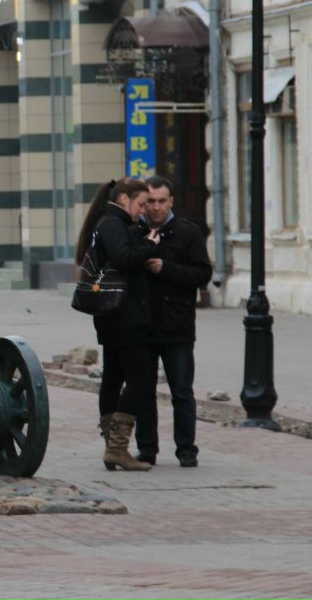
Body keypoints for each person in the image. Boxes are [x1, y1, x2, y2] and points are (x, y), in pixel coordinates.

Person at [74, 177, 160, 471]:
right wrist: (149, 247)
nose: (144, 210)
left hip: (114, 314)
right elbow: (124, 259)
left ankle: (113, 447)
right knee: (139, 380)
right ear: (124, 199)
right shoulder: (112, 224)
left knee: (113, 376)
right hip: (125, 316)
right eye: (141, 204)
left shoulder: (112, 223)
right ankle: (117, 448)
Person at [135, 175, 213, 468]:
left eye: (161, 201)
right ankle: (146, 449)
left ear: (171, 202)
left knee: (181, 391)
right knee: (143, 391)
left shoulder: (187, 233)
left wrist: (165, 268)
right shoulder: (134, 231)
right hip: (142, 324)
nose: (155, 208)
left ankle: (186, 450)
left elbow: (202, 275)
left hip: (177, 325)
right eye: (150, 202)